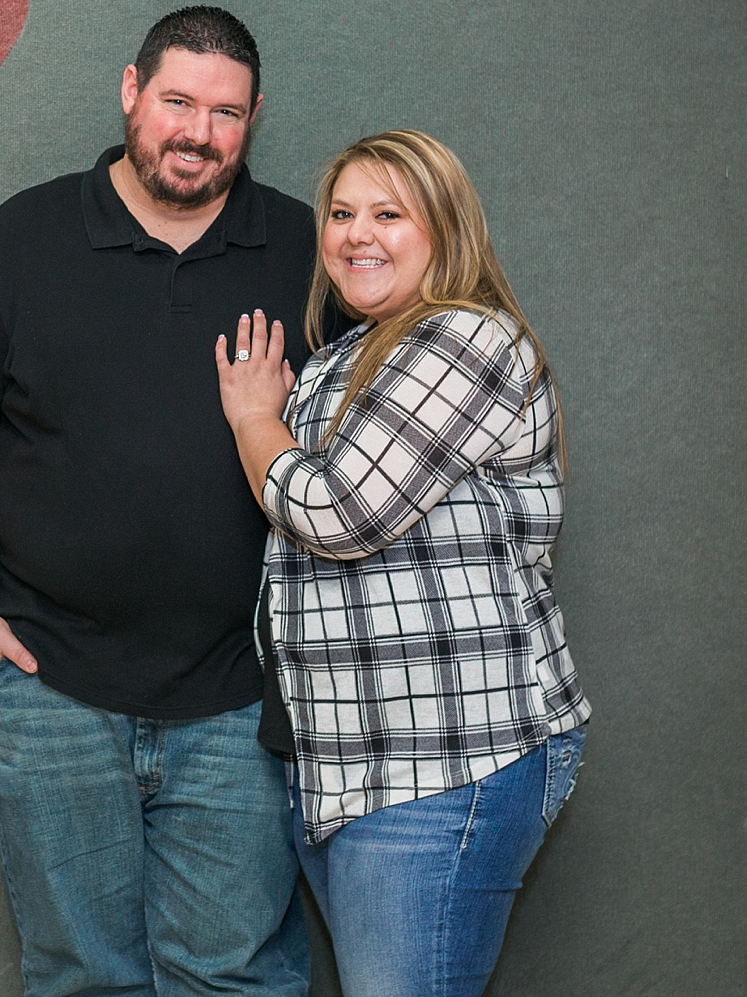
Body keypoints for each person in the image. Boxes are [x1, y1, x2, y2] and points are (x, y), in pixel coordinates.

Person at [0, 6, 313, 997]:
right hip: (51, 683)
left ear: (252, 118)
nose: (195, 132)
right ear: (130, 93)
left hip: (241, 690)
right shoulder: (22, 237)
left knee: (236, 975)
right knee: (79, 974)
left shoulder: (305, 248)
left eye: (223, 112)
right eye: (175, 100)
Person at [215, 130, 589, 997]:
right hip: (350, 762)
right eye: (341, 214)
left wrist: (250, 418)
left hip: (446, 764)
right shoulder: (350, 352)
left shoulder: (465, 338)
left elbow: (337, 513)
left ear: (444, 229)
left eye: (389, 213)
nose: (357, 234)